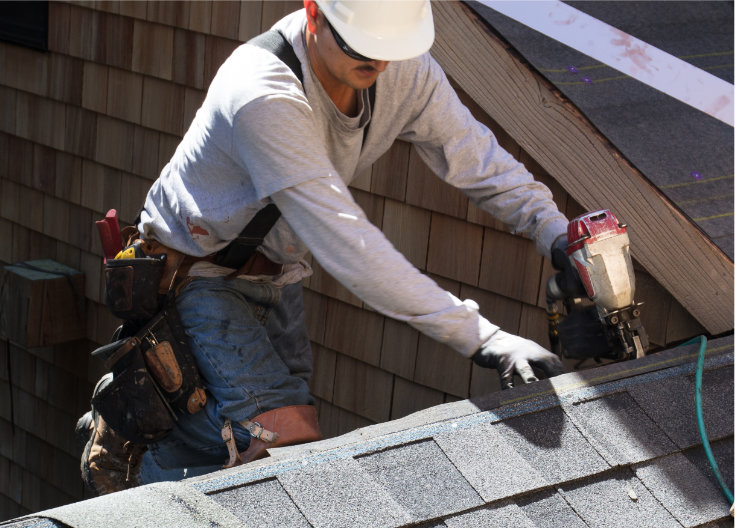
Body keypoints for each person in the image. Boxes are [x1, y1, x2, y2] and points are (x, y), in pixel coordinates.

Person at [79, 0, 570, 495]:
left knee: (278, 453)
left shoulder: (402, 68)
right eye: (360, 46)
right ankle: (130, 439)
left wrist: (558, 235)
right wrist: (481, 337)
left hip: (279, 274)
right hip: (194, 273)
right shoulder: (262, 92)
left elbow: (476, 157)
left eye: (389, 49)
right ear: (314, 15)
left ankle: (162, 424)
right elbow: (346, 243)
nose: (377, 63)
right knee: (280, 438)